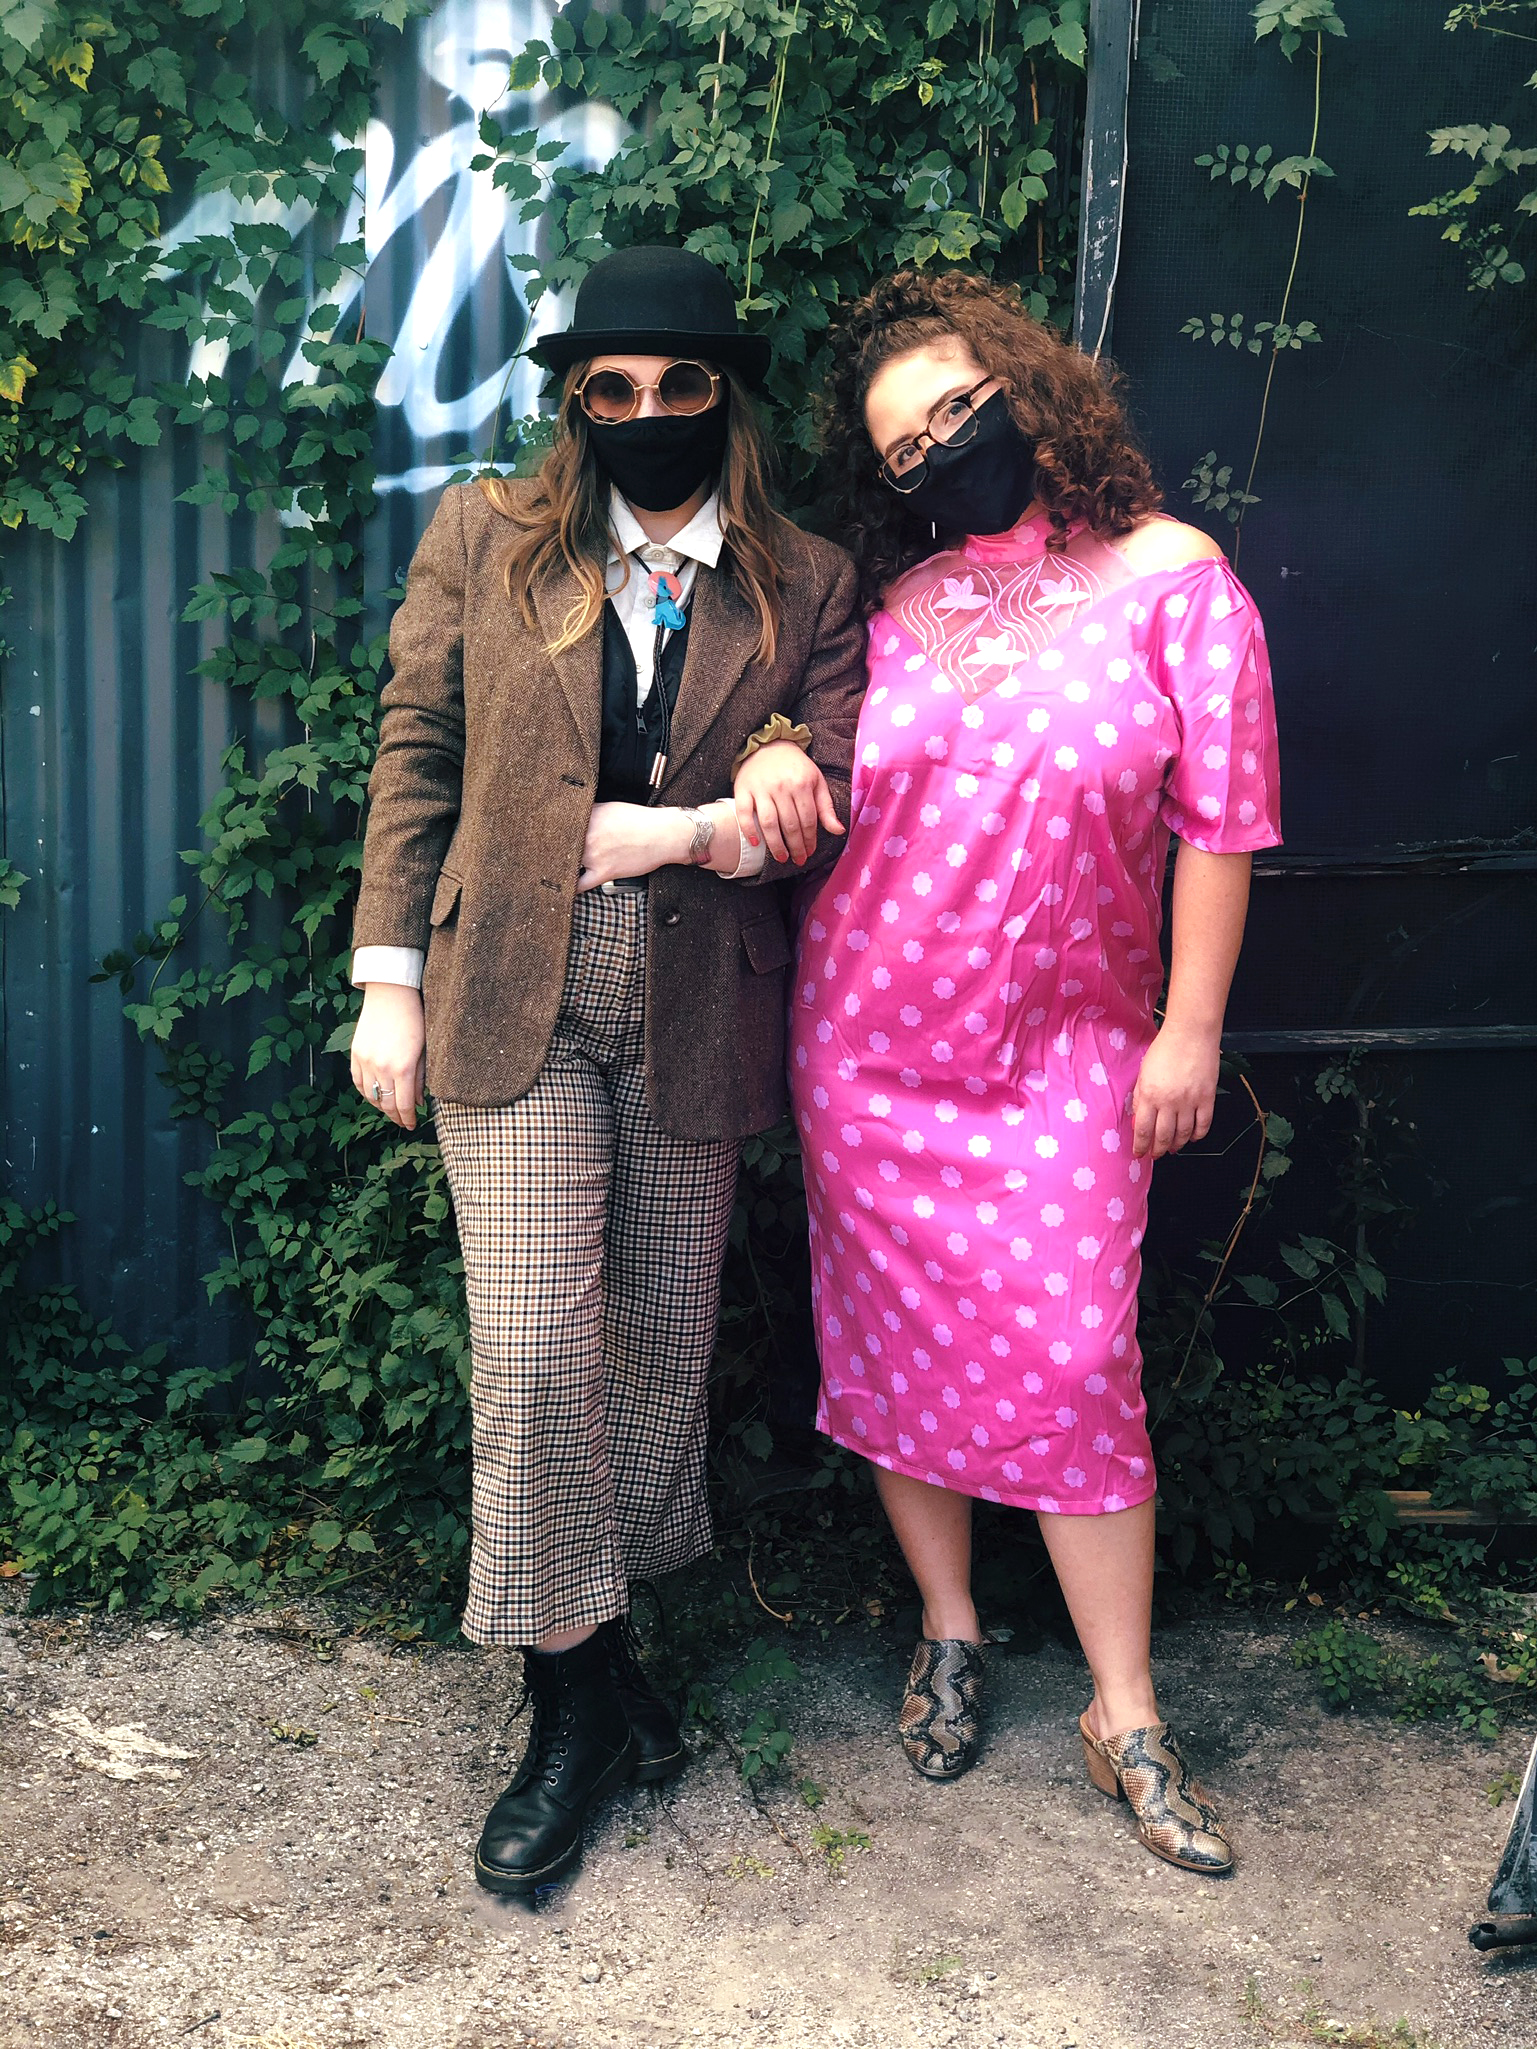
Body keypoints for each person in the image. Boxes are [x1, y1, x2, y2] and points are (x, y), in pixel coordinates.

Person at [346, 244, 865, 1898]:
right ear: (577, 397)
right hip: (514, 991)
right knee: (530, 1349)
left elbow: (841, 775)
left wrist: (716, 815)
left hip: (699, 1003)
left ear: (729, 394)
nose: (646, 415)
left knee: (652, 1344)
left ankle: (616, 1646)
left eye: (680, 385)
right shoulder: (491, 539)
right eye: (613, 389)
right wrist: (387, 984)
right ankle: (566, 1696)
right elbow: (418, 749)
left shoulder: (803, 576)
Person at [789, 268, 1281, 1874]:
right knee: (887, 1341)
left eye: (956, 408)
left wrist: (1187, 1028)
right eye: (905, 445)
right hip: (864, 1050)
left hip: (1072, 1054)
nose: (940, 448)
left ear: (1026, 388)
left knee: (1077, 1362)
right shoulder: (886, 605)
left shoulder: (1174, 582)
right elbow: (800, 755)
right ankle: (948, 1625)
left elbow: (1221, 820)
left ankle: (1120, 1707)